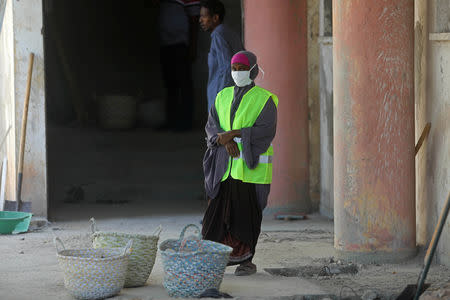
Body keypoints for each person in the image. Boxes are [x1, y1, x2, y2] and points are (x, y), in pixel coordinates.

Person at [201, 51, 278, 276]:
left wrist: (234, 133)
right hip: (224, 169)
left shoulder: (265, 99)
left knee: (247, 217)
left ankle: (247, 261)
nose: (237, 73)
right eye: (234, 69)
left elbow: (266, 130)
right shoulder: (221, 96)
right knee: (214, 217)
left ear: (253, 70)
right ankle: (214, 258)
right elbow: (212, 127)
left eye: (242, 69)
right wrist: (223, 141)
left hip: (250, 171)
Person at [158, 0, 200, 131]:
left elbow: (194, 20)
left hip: (181, 44)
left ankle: (185, 123)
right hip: (165, 44)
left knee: (184, 83)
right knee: (170, 84)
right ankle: (171, 121)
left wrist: (192, 46)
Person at [199, 0, 243, 111]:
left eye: (204, 16)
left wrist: (221, 98)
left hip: (222, 98)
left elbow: (226, 67)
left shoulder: (218, 35)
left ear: (215, 18)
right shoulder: (229, 33)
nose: (200, 20)